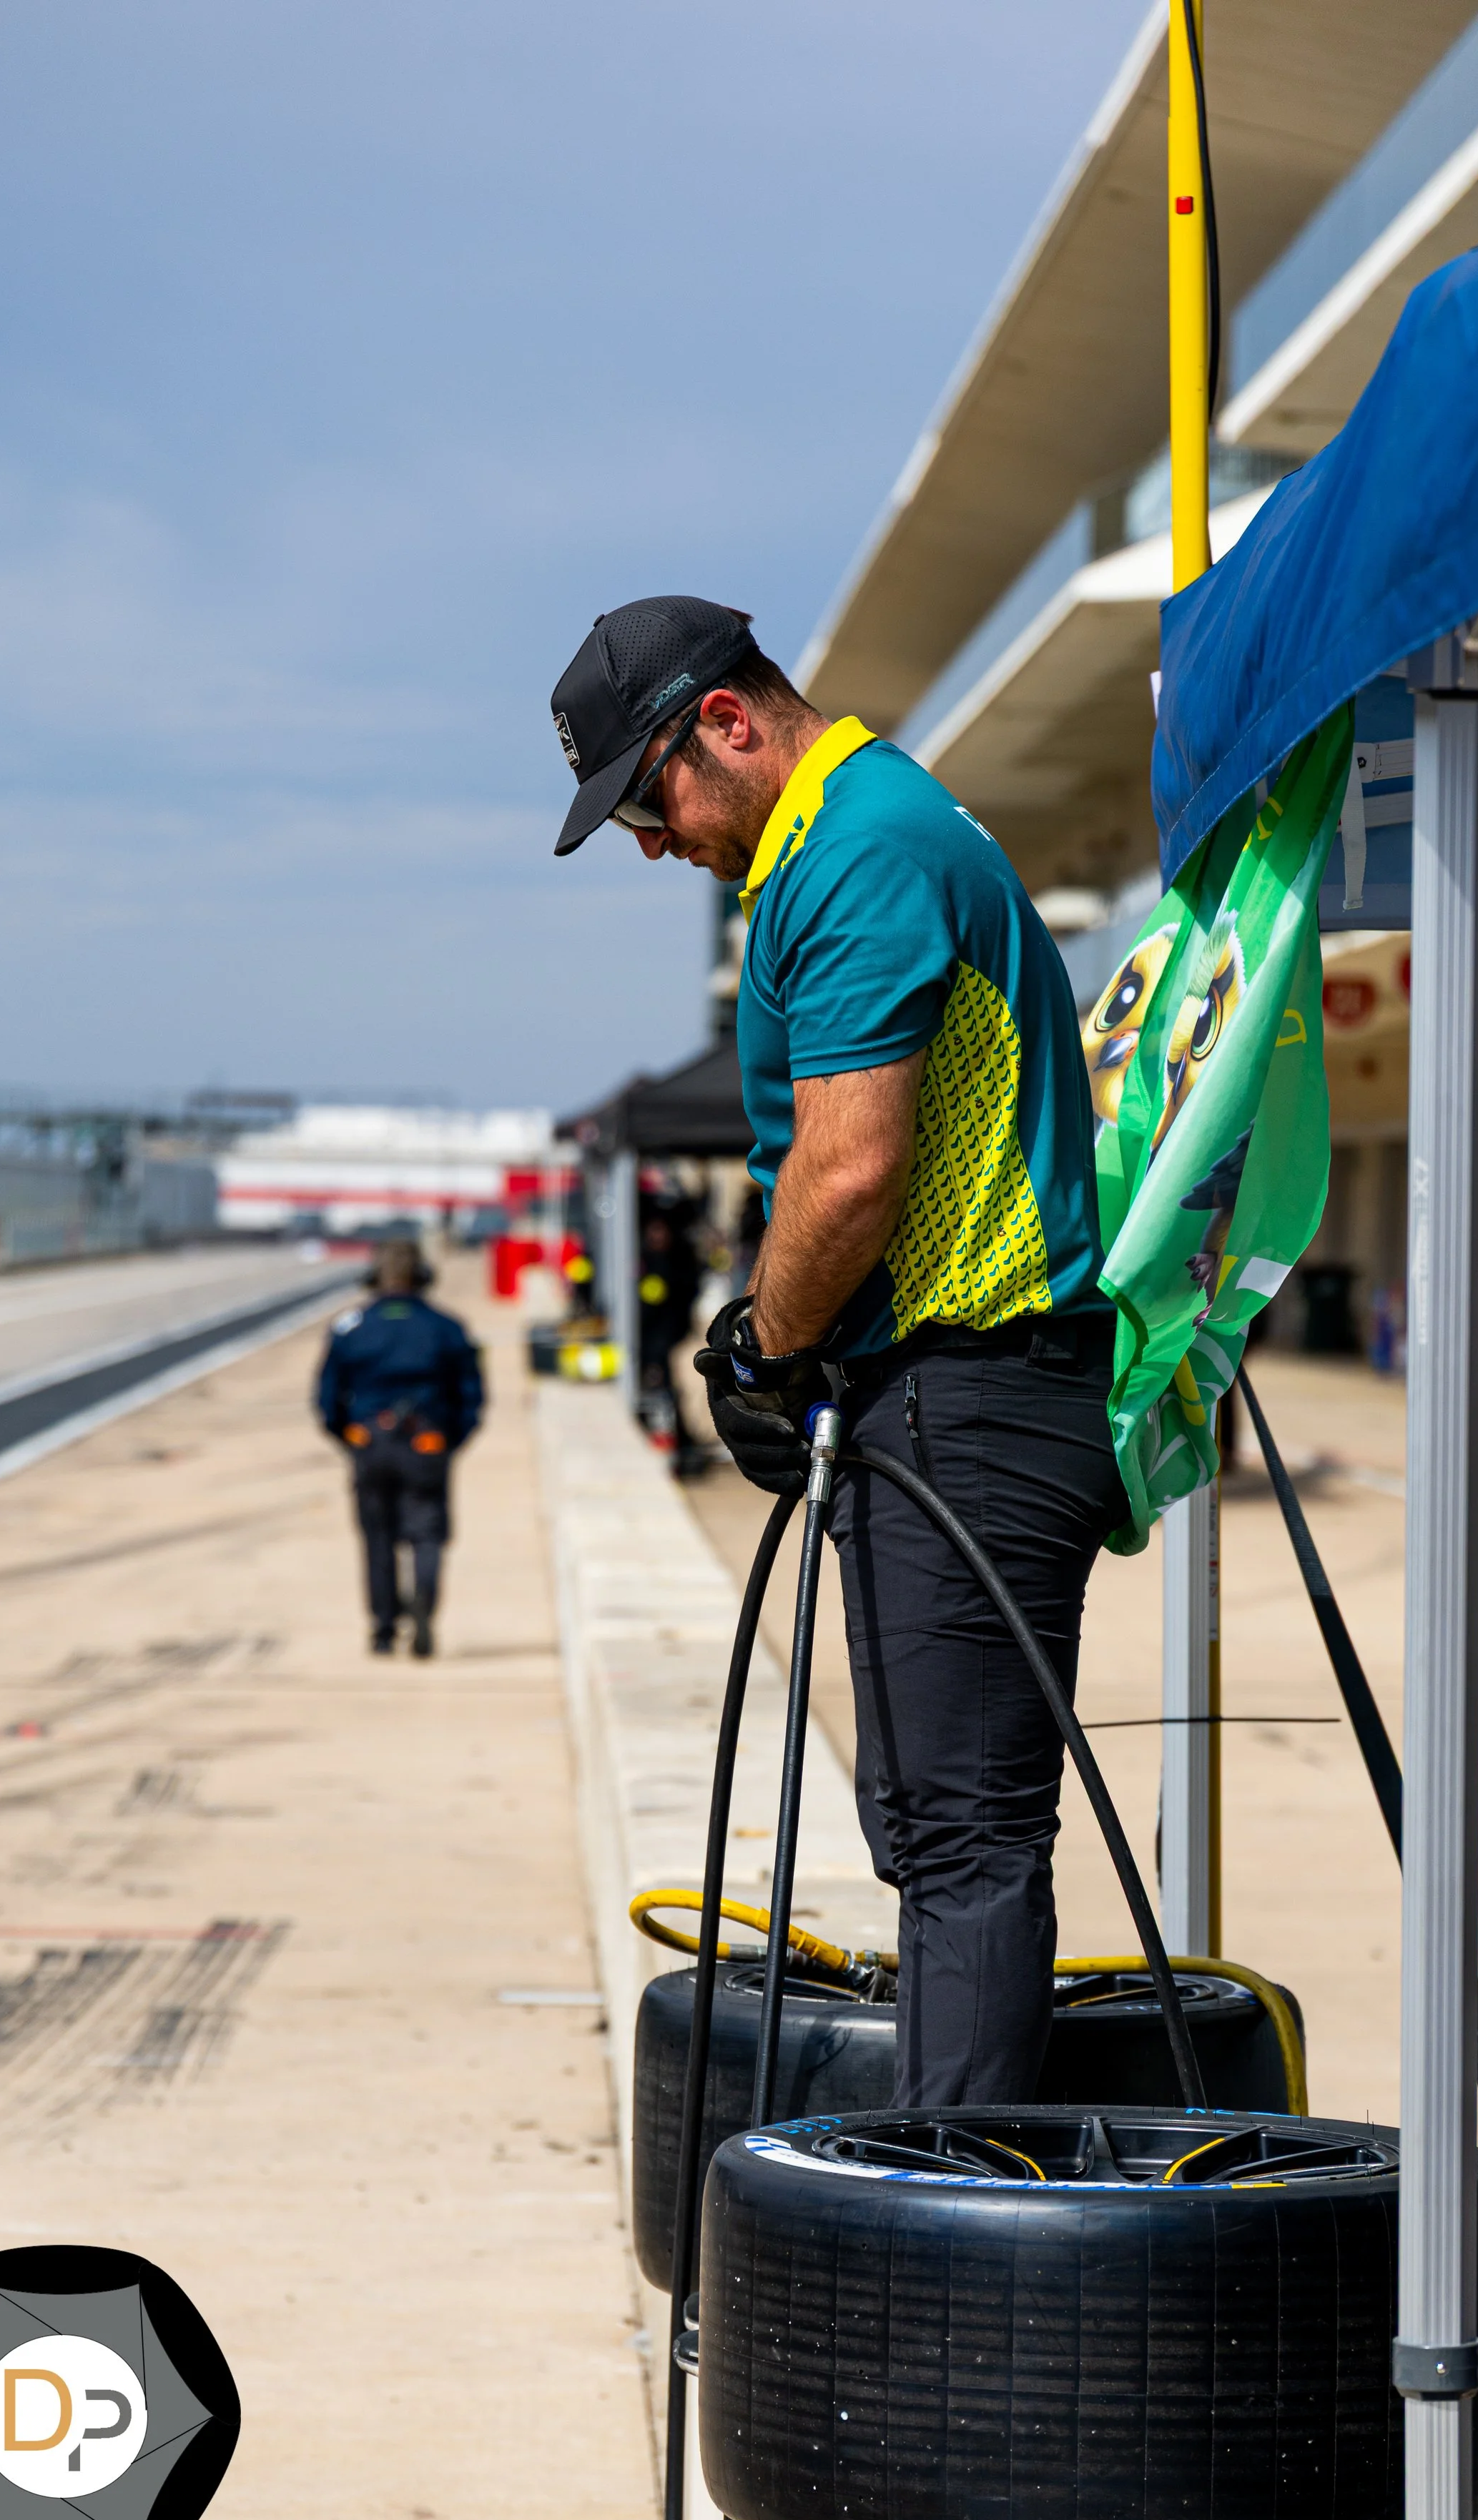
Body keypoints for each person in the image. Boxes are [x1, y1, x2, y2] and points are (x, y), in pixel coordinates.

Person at [549, 595, 1123, 2108]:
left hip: (971, 1395)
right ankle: (952, 2195)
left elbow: (850, 1168)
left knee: (961, 1842)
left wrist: (758, 1345)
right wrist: (792, 1355)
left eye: (647, 801)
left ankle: (952, 2241)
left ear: (726, 723)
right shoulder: (850, 831)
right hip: (937, 1400)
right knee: (930, 1827)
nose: (651, 844)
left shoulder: (858, 848)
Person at [315, 1237, 484, 1659]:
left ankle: (384, 1628)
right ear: (423, 1278)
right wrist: (450, 1442)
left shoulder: (350, 1327)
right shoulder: (447, 1327)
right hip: (427, 1441)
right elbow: (472, 1396)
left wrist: (351, 1438)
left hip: (370, 1442)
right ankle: (424, 1597)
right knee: (427, 1533)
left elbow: (326, 1399)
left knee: (378, 1537)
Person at [636, 1198, 706, 1478]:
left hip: (671, 1339)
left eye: (661, 1231)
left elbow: (687, 1293)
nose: (657, 1237)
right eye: (653, 1231)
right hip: (646, 1343)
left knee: (671, 1394)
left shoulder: (680, 1261)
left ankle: (681, 1445)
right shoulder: (641, 1259)